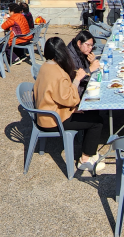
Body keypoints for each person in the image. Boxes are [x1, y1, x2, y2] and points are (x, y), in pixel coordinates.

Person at [34, 37, 105, 172]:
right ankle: (85, 160)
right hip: (54, 119)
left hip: (45, 112)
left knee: (88, 112)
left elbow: (58, 97)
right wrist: (77, 80)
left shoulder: (45, 66)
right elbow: (71, 99)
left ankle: (89, 151)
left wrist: (71, 109)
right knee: (97, 121)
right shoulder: (59, 74)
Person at [66, 30, 100, 95]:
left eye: (91, 45)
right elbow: (76, 76)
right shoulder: (70, 56)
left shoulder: (81, 51)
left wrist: (91, 61)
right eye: (88, 45)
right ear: (79, 43)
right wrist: (90, 69)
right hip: (76, 90)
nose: (90, 48)